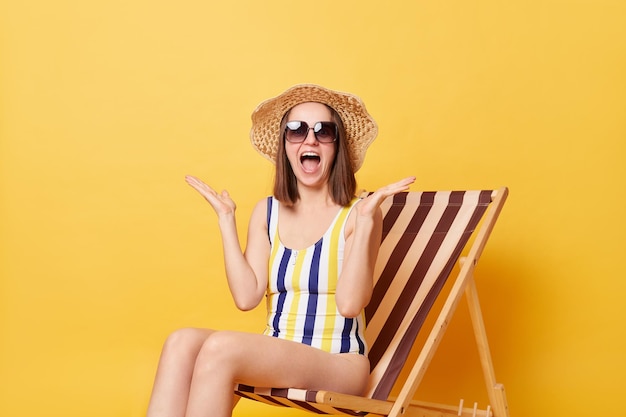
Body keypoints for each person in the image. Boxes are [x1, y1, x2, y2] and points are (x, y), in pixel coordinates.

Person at [146, 84, 415, 417]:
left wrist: (366, 222)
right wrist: (226, 220)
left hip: (338, 361)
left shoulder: (356, 215)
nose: (310, 139)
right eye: (296, 130)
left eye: (323, 131)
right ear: (285, 145)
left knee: (221, 348)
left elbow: (350, 304)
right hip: (280, 349)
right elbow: (247, 298)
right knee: (180, 342)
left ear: (337, 145)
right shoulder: (267, 212)